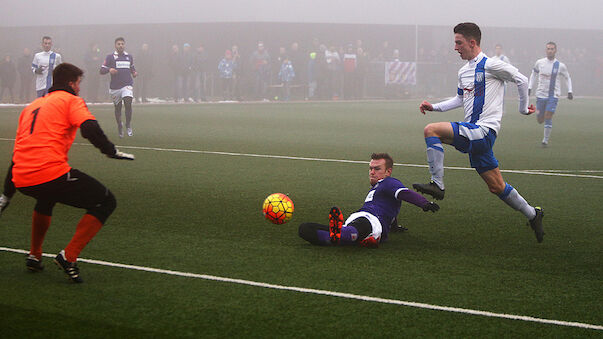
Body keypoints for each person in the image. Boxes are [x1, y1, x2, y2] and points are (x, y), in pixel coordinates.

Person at [0, 62, 134, 283]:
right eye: (78, 83)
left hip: (21, 178)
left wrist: (6, 195)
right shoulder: (71, 100)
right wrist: (110, 151)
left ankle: (34, 255)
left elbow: (18, 153)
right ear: (71, 83)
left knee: (46, 198)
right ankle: (68, 257)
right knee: (106, 201)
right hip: (49, 173)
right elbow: (89, 127)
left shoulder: (31, 107)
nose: (80, 89)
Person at [414, 22, 545, 243]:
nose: (455, 47)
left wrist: (523, 109)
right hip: (474, 134)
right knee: (496, 186)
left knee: (431, 130)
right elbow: (459, 99)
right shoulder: (464, 71)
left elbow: (521, 80)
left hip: (483, 131)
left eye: (459, 42)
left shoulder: (491, 65)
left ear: (472, 42)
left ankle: (437, 184)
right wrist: (434, 107)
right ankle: (533, 214)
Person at [298, 153, 439, 248]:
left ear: (388, 172)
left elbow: (405, 194)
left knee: (352, 230)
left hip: (371, 220)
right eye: (370, 168)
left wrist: (424, 203)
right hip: (363, 218)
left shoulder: (389, 182)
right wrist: (394, 226)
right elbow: (390, 208)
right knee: (304, 228)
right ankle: (344, 236)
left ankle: (343, 235)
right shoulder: (378, 188)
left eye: (377, 169)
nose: (372, 172)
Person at [528, 42, 573, 147]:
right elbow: (533, 74)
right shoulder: (539, 63)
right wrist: (529, 87)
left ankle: (545, 141)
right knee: (540, 120)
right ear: (545, 50)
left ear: (555, 50)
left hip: (553, 95)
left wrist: (570, 90)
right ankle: (543, 113)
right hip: (540, 94)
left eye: (552, 49)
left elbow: (567, 77)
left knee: (548, 116)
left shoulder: (560, 65)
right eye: (548, 48)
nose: (550, 50)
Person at [100, 37, 137, 138]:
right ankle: (119, 125)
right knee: (118, 108)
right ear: (115, 45)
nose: (121, 46)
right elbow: (102, 70)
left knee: (128, 102)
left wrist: (134, 72)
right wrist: (109, 70)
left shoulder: (129, 56)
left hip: (127, 85)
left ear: (124, 45)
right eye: (118, 44)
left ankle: (128, 125)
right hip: (115, 87)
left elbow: (132, 67)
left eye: (122, 44)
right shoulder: (110, 57)